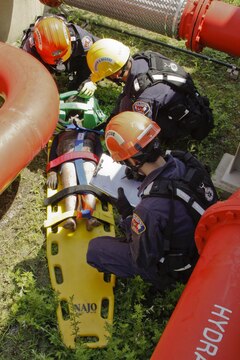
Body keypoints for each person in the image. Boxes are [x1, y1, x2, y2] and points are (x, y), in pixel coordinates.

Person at [86, 111, 218, 291]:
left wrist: (127, 218)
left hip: (184, 264)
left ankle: (165, 283)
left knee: (96, 250)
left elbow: (142, 258)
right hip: (208, 238)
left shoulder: (149, 210)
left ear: (131, 160)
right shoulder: (186, 161)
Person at [87, 38, 214, 142]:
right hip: (186, 99)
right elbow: (127, 93)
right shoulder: (142, 59)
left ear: (115, 74)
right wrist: (110, 121)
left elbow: (140, 132)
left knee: (132, 122)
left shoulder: (144, 98)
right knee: (126, 101)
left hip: (183, 122)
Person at [20, 14, 99, 94]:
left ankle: (78, 86)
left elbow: (103, 52)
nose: (59, 62)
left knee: (89, 58)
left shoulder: (80, 37)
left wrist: (91, 80)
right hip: (43, 61)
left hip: (71, 57)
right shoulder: (28, 51)